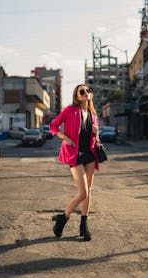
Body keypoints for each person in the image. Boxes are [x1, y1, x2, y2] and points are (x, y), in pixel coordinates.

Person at [50, 83, 100, 241]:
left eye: (88, 90)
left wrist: (96, 132)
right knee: (83, 192)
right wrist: (64, 138)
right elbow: (53, 126)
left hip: (90, 154)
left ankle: (83, 226)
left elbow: (95, 137)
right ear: (77, 96)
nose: (86, 93)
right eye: (82, 91)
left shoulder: (93, 114)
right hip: (75, 154)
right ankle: (62, 218)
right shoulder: (69, 110)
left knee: (89, 191)